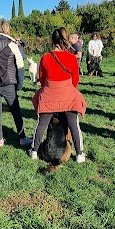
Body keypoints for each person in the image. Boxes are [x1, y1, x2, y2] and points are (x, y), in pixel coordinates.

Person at [28, 28, 87, 162]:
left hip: (49, 95)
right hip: (67, 95)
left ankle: (34, 151)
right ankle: (79, 154)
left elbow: (42, 80)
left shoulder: (45, 57)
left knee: (41, 124)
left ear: (52, 41)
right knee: (74, 125)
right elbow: (75, 80)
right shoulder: (71, 57)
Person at [0, 20, 30, 148]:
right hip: (9, 84)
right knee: (16, 111)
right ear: (7, 29)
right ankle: (22, 138)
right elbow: (20, 66)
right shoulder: (12, 45)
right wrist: (19, 84)